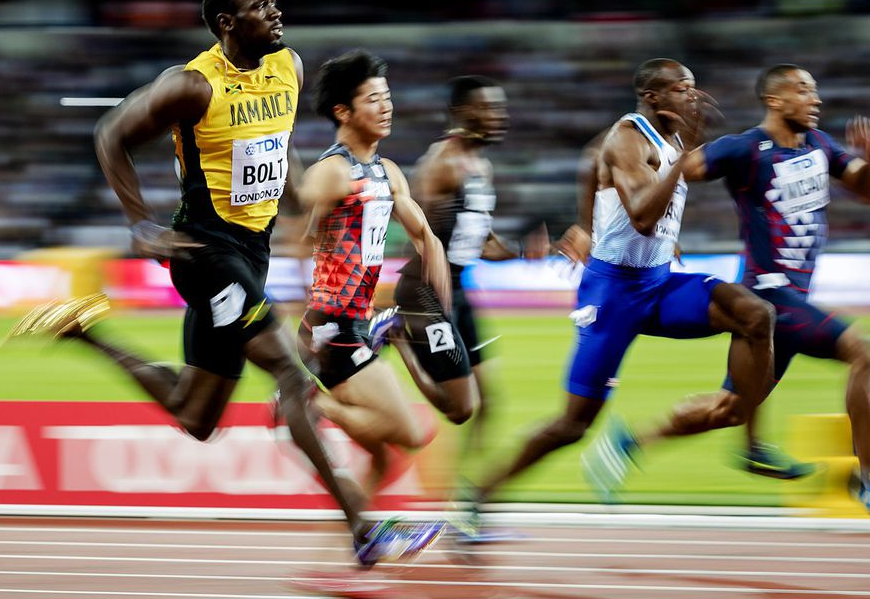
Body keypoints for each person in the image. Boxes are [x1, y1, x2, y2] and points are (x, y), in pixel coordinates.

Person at [10, 0, 415, 565]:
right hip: (204, 252)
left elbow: (274, 138)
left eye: (276, 3)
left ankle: (87, 331)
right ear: (228, 23)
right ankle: (363, 528)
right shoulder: (192, 86)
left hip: (252, 250)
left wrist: (297, 186)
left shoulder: (289, 67)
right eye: (261, 8)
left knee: (196, 417)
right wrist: (141, 224)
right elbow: (110, 133)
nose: (277, 14)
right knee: (294, 378)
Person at [469, 58, 774, 521]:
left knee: (755, 315)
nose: (691, 97)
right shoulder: (628, 138)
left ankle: (748, 439)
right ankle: (481, 495)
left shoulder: (663, 139)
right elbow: (644, 214)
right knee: (573, 425)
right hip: (613, 296)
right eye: (681, 89)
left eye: (693, 88)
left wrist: (591, 222)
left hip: (657, 284)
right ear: (652, 96)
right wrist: (686, 155)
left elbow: (592, 164)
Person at [596, 65, 870, 509]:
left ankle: (629, 443)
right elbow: (683, 171)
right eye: (804, 91)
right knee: (863, 353)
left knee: (729, 409)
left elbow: (863, 185)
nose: (815, 100)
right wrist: (662, 222)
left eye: (815, 91)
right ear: (775, 101)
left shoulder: (822, 145)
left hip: (792, 300)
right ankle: (865, 478)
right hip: (768, 295)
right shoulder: (744, 149)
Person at [292, 51, 446, 532]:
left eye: (388, 98)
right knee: (408, 432)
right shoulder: (332, 172)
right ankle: (306, 404)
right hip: (332, 327)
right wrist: (311, 308)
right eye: (373, 99)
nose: (387, 107)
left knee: (384, 457)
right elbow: (297, 238)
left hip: (356, 323)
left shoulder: (387, 173)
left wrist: (442, 312)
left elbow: (427, 238)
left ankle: (354, 543)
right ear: (343, 111)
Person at [389, 76, 546, 509]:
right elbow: (419, 236)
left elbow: (480, 241)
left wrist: (520, 253)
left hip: (459, 290)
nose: (500, 117)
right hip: (426, 292)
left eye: (501, 109)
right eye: (488, 109)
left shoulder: (481, 166)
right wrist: (428, 302)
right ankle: (397, 336)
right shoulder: (440, 163)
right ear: (461, 114)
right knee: (461, 408)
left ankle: (466, 499)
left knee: (490, 401)